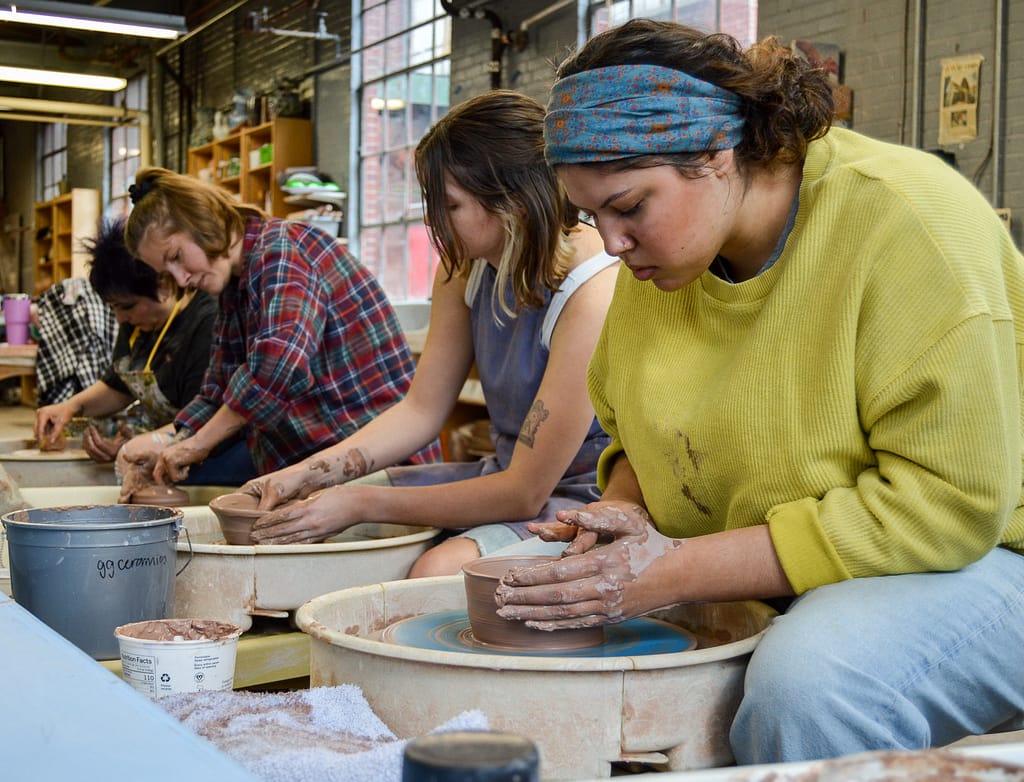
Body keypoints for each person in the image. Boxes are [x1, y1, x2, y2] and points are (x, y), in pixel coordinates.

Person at [492, 18, 1024, 767]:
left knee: (810, 686)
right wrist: (621, 514)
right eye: (593, 216)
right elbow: (639, 436)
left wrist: (666, 574)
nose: (611, 243)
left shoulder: (907, 222)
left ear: (717, 155)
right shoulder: (665, 261)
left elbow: (950, 508)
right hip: (801, 559)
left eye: (630, 205)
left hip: (987, 554)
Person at [243, 90, 618, 577]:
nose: (435, 221)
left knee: (434, 571)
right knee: (323, 507)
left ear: (514, 203)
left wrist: (359, 503)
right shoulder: (465, 268)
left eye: (450, 205)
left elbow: (526, 491)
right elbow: (420, 410)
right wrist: (308, 473)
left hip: (578, 497)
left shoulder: (591, 293)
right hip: (502, 473)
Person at [116, 167, 440, 497]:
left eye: (177, 257)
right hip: (318, 470)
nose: (181, 279)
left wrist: (198, 444)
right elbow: (217, 392)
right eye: (167, 272)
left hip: (382, 468)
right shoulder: (233, 289)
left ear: (204, 220)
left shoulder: (282, 253)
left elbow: (277, 369)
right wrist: (170, 444)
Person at [34, 218, 217, 462]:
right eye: (114, 308)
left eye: (127, 306)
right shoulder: (136, 322)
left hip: (211, 445)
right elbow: (119, 387)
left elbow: (202, 423)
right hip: (171, 438)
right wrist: (70, 407)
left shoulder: (206, 322)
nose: (120, 318)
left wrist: (140, 448)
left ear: (163, 282)